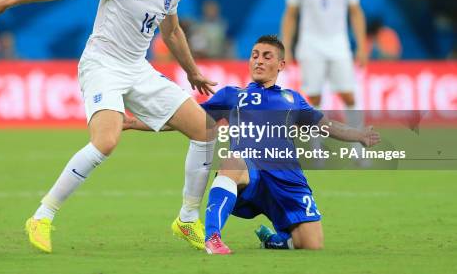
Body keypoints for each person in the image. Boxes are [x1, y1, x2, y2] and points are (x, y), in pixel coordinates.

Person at [0, 0, 217, 253]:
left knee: (206, 130)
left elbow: (172, 32)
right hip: (102, 64)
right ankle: (42, 216)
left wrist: (192, 72)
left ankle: (187, 219)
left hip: (138, 69)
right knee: (106, 141)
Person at [124, 35, 381, 254]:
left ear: (281, 65)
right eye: (255, 55)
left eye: (267, 56)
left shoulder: (293, 99)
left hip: (286, 179)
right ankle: (212, 238)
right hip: (249, 173)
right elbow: (185, 121)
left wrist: (358, 135)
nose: (258, 60)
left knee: (312, 244)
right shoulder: (232, 95)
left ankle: (275, 240)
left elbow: (327, 126)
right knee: (232, 160)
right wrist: (134, 123)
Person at [281, 0, 368, 159]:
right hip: (310, 44)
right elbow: (291, 15)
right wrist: (286, 46)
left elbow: (355, 11)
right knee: (314, 97)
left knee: (348, 94)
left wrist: (361, 44)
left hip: (338, 43)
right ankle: (316, 150)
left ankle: (358, 148)